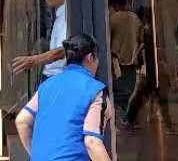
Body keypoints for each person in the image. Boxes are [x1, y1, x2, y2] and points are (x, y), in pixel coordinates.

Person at [15, 33, 112, 161]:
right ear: (90, 57)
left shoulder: (47, 85)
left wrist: (35, 154)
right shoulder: (95, 90)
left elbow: (22, 121)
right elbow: (92, 142)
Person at [11, 0, 68, 78]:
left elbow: (61, 50)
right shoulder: (60, 16)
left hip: (56, 76)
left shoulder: (65, 18)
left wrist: (33, 60)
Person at [105, 0, 142, 121]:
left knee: (117, 94)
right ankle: (126, 118)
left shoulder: (112, 19)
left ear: (114, 5)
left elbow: (106, 40)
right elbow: (141, 38)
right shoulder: (135, 18)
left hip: (116, 62)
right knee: (128, 93)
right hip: (132, 61)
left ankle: (123, 119)